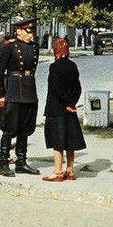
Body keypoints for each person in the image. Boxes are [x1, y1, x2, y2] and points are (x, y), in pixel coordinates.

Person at [0, 18, 41, 177]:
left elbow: (31, 70)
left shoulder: (34, 47)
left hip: (29, 90)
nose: (31, 35)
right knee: (9, 129)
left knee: (25, 129)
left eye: (32, 32)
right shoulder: (9, 47)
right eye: (28, 31)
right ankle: (3, 163)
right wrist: (0, 93)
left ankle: (21, 162)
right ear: (18, 31)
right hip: (14, 91)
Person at [42, 38, 86, 182]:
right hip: (70, 110)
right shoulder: (73, 65)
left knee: (58, 141)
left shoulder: (54, 67)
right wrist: (72, 103)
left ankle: (58, 172)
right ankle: (70, 171)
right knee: (70, 139)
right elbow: (78, 87)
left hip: (56, 109)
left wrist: (66, 103)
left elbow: (56, 89)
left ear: (56, 50)